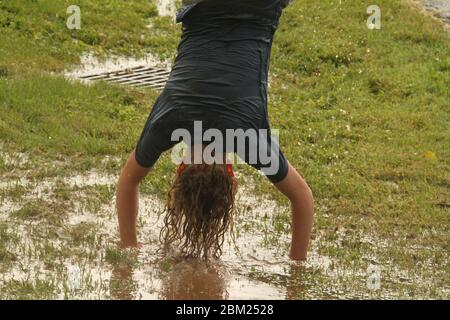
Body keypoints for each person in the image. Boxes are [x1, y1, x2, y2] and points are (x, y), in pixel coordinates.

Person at [116, 0, 314, 260]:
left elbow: (303, 199)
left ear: (231, 175)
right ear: (181, 167)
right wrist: (128, 243)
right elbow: (129, 181)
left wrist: (296, 268)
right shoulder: (169, 122)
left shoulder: (248, 141)